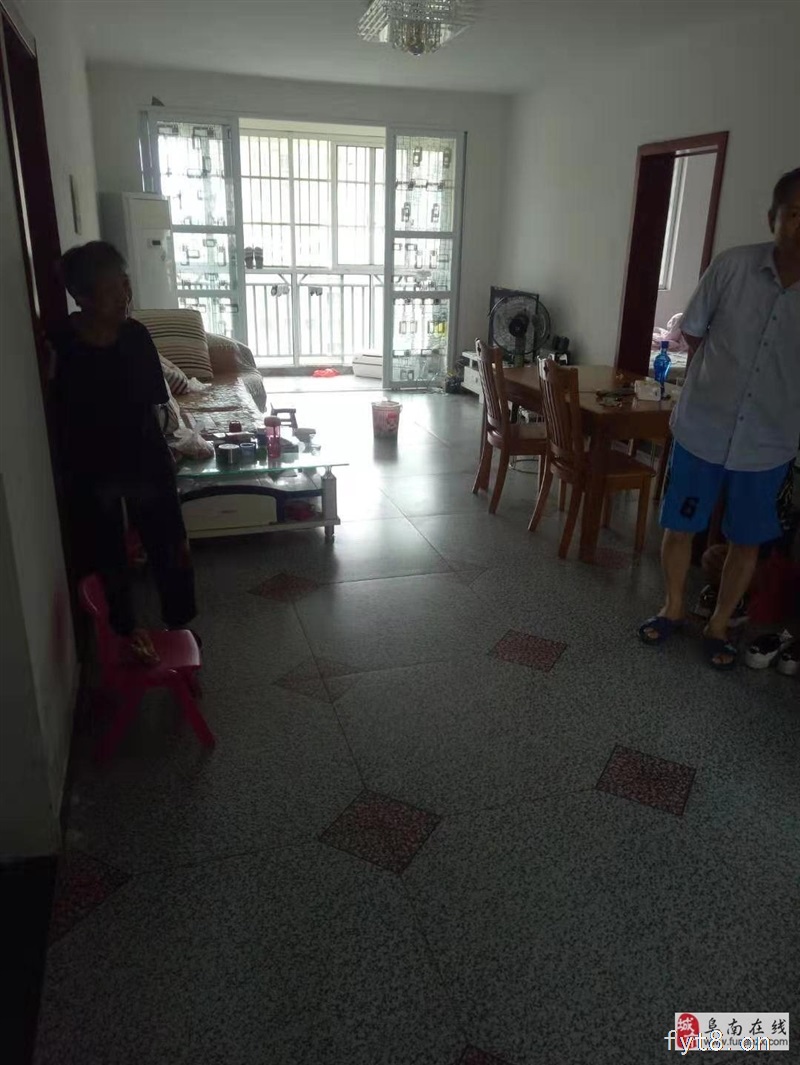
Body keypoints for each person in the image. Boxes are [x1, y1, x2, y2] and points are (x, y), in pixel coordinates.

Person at [639, 168, 800, 669]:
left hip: (769, 443)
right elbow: (694, 331)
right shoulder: (732, 267)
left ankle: (718, 625)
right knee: (680, 525)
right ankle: (673, 607)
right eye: (795, 214)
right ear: (773, 218)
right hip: (702, 429)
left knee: (746, 541)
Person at [53, 241, 197, 663]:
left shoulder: (135, 336)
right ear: (82, 297)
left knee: (168, 542)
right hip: (90, 464)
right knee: (105, 551)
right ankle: (124, 632)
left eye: (125, 283)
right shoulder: (60, 342)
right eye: (113, 289)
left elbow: (155, 398)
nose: (125, 295)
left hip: (144, 454)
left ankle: (179, 625)